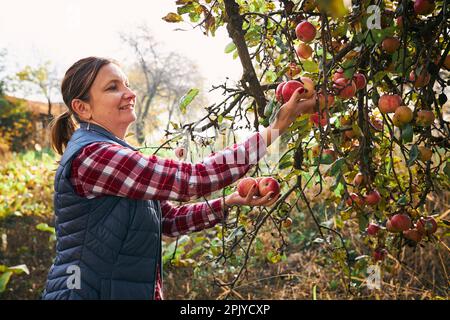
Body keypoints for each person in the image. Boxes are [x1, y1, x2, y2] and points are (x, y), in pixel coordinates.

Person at [42, 56, 316, 300]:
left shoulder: (116, 153)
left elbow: (168, 222)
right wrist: (276, 127)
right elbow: (193, 180)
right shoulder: (94, 156)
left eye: (126, 84)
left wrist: (230, 201)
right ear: (83, 107)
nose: (130, 93)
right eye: (113, 87)